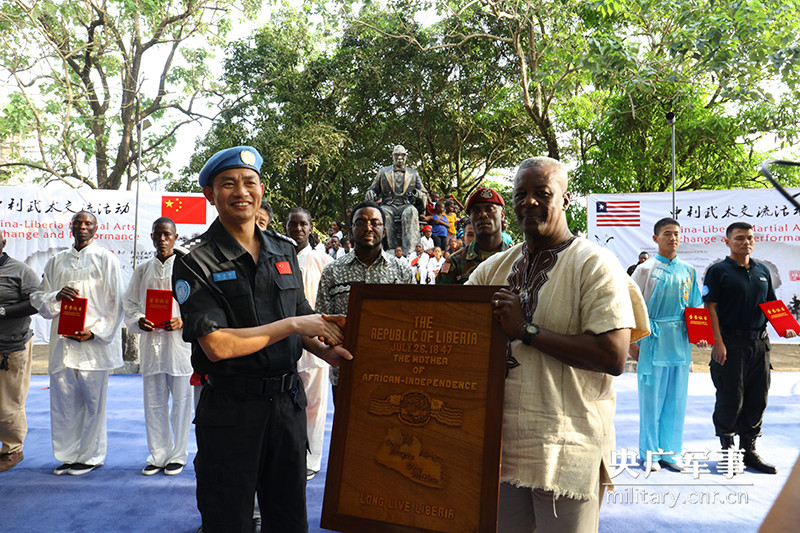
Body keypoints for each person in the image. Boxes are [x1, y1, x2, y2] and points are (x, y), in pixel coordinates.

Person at [172, 145, 351, 532]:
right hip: (231, 411)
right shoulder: (195, 259)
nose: (241, 192)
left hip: (287, 408)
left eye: (249, 182)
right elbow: (217, 346)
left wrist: (326, 348)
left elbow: (300, 310)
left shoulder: (283, 249)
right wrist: (295, 327)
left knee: (289, 518)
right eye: (228, 184)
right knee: (229, 520)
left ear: (261, 189)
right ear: (210, 195)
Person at [466, 157, 649, 533]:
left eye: (542, 193)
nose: (529, 202)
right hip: (501, 447)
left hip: (567, 448)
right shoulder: (493, 269)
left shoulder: (595, 265)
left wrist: (526, 330)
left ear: (565, 199)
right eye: (520, 194)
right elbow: (450, 324)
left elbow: (613, 355)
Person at [31, 211, 124, 476]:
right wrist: (56, 295)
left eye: (88, 223)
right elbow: (39, 299)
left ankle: (91, 456)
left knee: (94, 403)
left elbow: (116, 302)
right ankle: (68, 455)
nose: (82, 227)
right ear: (70, 227)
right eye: (78, 223)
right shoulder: (57, 260)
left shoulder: (106, 259)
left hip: (92, 344)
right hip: (63, 342)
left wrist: (95, 332)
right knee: (63, 403)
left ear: (96, 228)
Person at [703, 221, 796, 474]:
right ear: (727, 241)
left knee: (758, 397)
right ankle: (728, 450)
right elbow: (710, 307)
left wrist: (785, 327)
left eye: (750, 238)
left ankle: (749, 451)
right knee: (730, 397)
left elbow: (771, 305)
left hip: (759, 344)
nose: (746, 242)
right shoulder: (718, 271)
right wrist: (718, 342)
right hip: (730, 343)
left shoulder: (762, 270)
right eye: (740, 238)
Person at [316, 201, 414, 402]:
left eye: (375, 223)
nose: (368, 228)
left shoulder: (402, 271)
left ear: (384, 231)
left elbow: (414, 319)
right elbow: (321, 320)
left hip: (392, 372)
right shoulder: (332, 272)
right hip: (346, 370)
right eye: (360, 223)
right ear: (351, 231)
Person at [629, 217, 705, 472]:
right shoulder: (644, 270)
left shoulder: (689, 270)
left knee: (676, 398)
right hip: (652, 340)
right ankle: (649, 453)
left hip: (680, 342)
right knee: (651, 399)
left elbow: (695, 306)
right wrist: (631, 343)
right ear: (655, 238)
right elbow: (631, 308)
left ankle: (671, 452)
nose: (673, 238)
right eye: (667, 233)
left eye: (676, 234)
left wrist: (700, 334)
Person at [123, 217, 193, 476]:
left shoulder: (188, 268)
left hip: (179, 346)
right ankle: (158, 454)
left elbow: (201, 304)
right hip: (151, 344)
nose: (162, 239)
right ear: (152, 236)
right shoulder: (143, 270)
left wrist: (183, 320)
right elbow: (129, 302)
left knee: (182, 403)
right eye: (158, 234)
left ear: (176, 236)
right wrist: (139, 319)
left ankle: (178, 454)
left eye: (167, 234)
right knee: (154, 403)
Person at [285, 207, 334, 481]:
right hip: (286, 340)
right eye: (293, 224)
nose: (298, 229)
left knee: (315, 405)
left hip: (315, 343)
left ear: (311, 228)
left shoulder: (322, 260)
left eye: (303, 224)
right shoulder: (279, 257)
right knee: (289, 404)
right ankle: (291, 454)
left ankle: (311, 459)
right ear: (286, 227)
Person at [0, 229, 40, 472]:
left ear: (3, 242)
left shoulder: (20, 271)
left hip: (10, 347)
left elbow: (37, 302)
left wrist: (2, 311)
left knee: (8, 404)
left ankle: (12, 449)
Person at [437, 187, 510, 285]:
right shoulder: (455, 261)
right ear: (470, 219)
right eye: (476, 211)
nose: (483, 214)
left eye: (490, 209)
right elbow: (442, 294)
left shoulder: (517, 258)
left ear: (502, 215)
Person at [365, 144, 429, 254]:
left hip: (406, 204)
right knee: (384, 213)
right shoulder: (383, 172)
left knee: (411, 212)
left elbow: (423, 192)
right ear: (393, 156)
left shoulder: (414, 173)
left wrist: (418, 194)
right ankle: (391, 249)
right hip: (388, 205)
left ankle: (410, 251)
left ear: (406, 157)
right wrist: (370, 193)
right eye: (397, 155)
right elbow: (373, 189)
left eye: (402, 155)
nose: (400, 158)